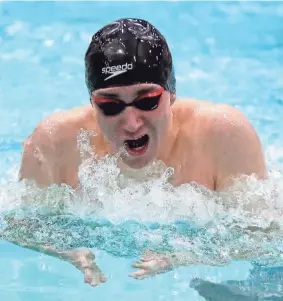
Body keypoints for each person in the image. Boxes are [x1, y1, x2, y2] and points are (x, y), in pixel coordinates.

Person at [14, 18, 266, 286]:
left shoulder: (223, 135)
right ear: (92, 103)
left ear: (171, 93)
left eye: (147, 101)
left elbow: (266, 237)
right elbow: (22, 227)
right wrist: (60, 249)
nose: (132, 123)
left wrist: (187, 255)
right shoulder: (53, 145)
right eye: (110, 106)